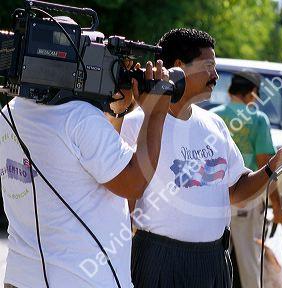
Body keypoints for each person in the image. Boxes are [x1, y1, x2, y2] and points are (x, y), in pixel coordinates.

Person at [120, 28, 282, 288]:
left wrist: (273, 166)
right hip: (159, 259)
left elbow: (236, 190)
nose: (216, 76)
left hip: (214, 260)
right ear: (178, 68)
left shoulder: (214, 125)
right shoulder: (136, 123)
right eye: (209, 66)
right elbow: (122, 201)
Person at [0, 59, 170, 287]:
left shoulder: (10, 111)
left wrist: (116, 113)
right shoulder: (80, 117)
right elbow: (133, 183)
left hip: (21, 276)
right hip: (80, 279)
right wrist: (154, 112)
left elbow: (75, 161)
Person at [211, 71, 282, 288]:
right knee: (250, 264)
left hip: (216, 198)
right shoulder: (258, 119)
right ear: (252, 94)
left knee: (215, 262)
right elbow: (267, 167)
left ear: (229, 91)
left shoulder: (213, 117)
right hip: (248, 197)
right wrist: (278, 206)